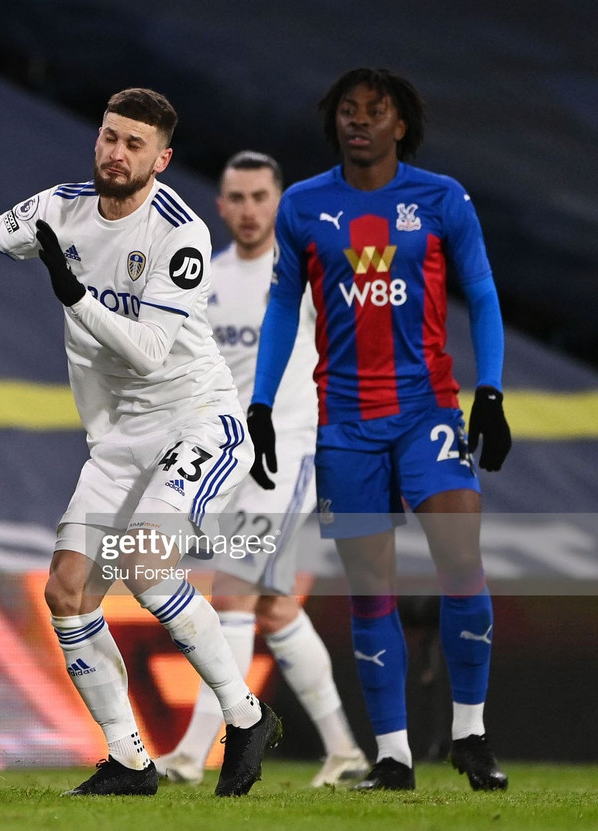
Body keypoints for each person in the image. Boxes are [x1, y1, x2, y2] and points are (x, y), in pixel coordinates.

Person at [0, 88, 280, 798]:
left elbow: (151, 351)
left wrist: (74, 296)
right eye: (108, 137)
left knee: (145, 560)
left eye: (134, 144)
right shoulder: (58, 207)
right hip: (120, 440)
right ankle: (131, 760)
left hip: (197, 418)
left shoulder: (178, 234)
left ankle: (247, 716)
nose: (115, 153)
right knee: (67, 593)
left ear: (160, 159)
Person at [248, 67, 512, 791]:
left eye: (375, 111)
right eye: (347, 111)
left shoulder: (441, 198)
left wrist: (488, 393)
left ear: (402, 124)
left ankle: (470, 734)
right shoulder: (303, 205)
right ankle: (393, 755)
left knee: (462, 557)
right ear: (334, 121)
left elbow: (484, 292)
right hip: (345, 425)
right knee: (372, 591)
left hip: (427, 411)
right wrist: (263, 404)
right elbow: (280, 307)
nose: (358, 121)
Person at [153, 151, 368, 788]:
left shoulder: (305, 274)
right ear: (220, 207)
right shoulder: (205, 279)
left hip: (288, 455)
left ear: (280, 203)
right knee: (273, 609)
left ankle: (194, 754)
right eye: (237, 199)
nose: (249, 211)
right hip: (227, 460)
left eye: (260, 198)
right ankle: (345, 751)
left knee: (231, 596)